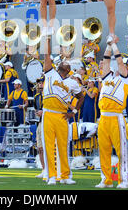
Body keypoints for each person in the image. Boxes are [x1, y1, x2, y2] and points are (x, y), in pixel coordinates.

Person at [41, 35, 84, 185]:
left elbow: (81, 97)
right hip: (48, 113)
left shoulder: (72, 82)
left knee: (63, 146)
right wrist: (47, 40)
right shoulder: (50, 73)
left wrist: (74, 112)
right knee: (49, 145)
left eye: (67, 62)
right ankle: (51, 175)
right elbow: (46, 55)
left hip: (61, 115)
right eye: (63, 61)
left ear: (69, 69)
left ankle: (65, 175)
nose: (64, 62)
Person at [94, 38, 128, 189]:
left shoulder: (125, 79)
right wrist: (108, 46)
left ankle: (123, 180)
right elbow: (106, 61)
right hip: (103, 117)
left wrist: (115, 46)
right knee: (103, 150)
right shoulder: (107, 77)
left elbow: (121, 64)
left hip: (116, 118)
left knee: (121, 150)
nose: (118, 65)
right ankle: (106, 179)